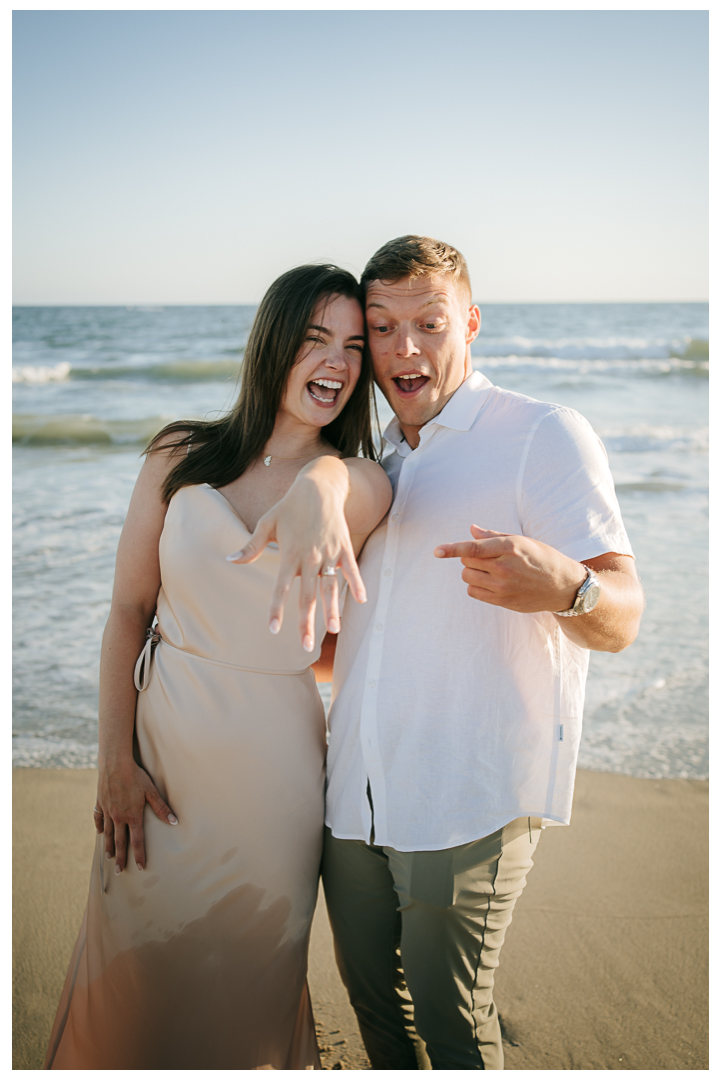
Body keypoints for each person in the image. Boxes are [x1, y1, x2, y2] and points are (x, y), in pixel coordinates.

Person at [233, 236, 644, 1070]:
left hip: (467, 800)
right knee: (374, 1009)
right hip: (354, 796)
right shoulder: (379, 456)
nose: (402, 348)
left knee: (454, 1027)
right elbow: (364, 644)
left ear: (472, 323)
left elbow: (623, 617)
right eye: (380, 327)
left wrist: (569, 589)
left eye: (428, 323)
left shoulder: (541, 435)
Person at [44, 264, 392, 1070]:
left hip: (275, 782)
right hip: (160, 766)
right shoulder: (179, 453)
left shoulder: (364, 483)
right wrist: (113, 762)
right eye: (314, 339)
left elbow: (355, 487)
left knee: (247, 986)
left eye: (351, 346)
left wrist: (322, 479)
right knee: (136, 978)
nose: (337, 363)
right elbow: (128, 613)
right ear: (273, 342)